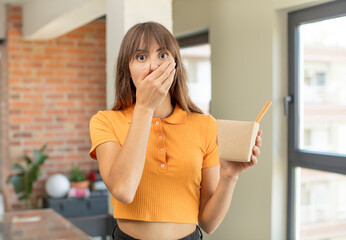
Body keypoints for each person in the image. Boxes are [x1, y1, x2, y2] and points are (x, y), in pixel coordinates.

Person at [89, 21, 262, 240]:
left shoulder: (205, 125)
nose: (154, 66)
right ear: (127, 70)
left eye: (162, 55)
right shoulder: (105, 121)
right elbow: (123, 190)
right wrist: (144, 107)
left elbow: (209, 223)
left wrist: (229, 176)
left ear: (175, 65)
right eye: (141, 57)